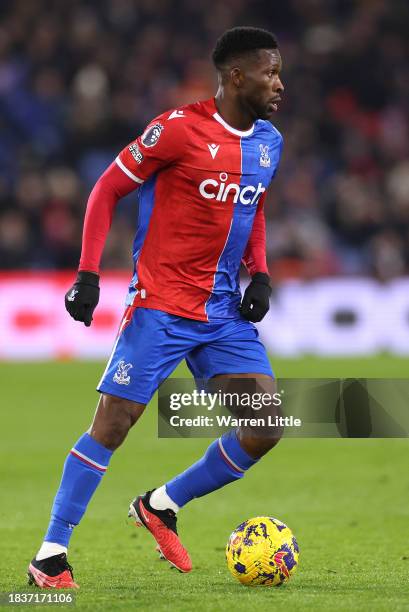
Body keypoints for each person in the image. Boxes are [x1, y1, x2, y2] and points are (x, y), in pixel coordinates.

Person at [28, 26, 285, 588]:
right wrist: (88, 274)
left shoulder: (269, 141)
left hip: (221, 313)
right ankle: (50, 554)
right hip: (161, 304)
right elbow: (105, 189)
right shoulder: (177, 130)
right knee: (113, 424)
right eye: (270, 72)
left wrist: (259, 272)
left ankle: (162, 505)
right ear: (236, 76)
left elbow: (254, 206)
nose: (279, 84)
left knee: (265, 425)